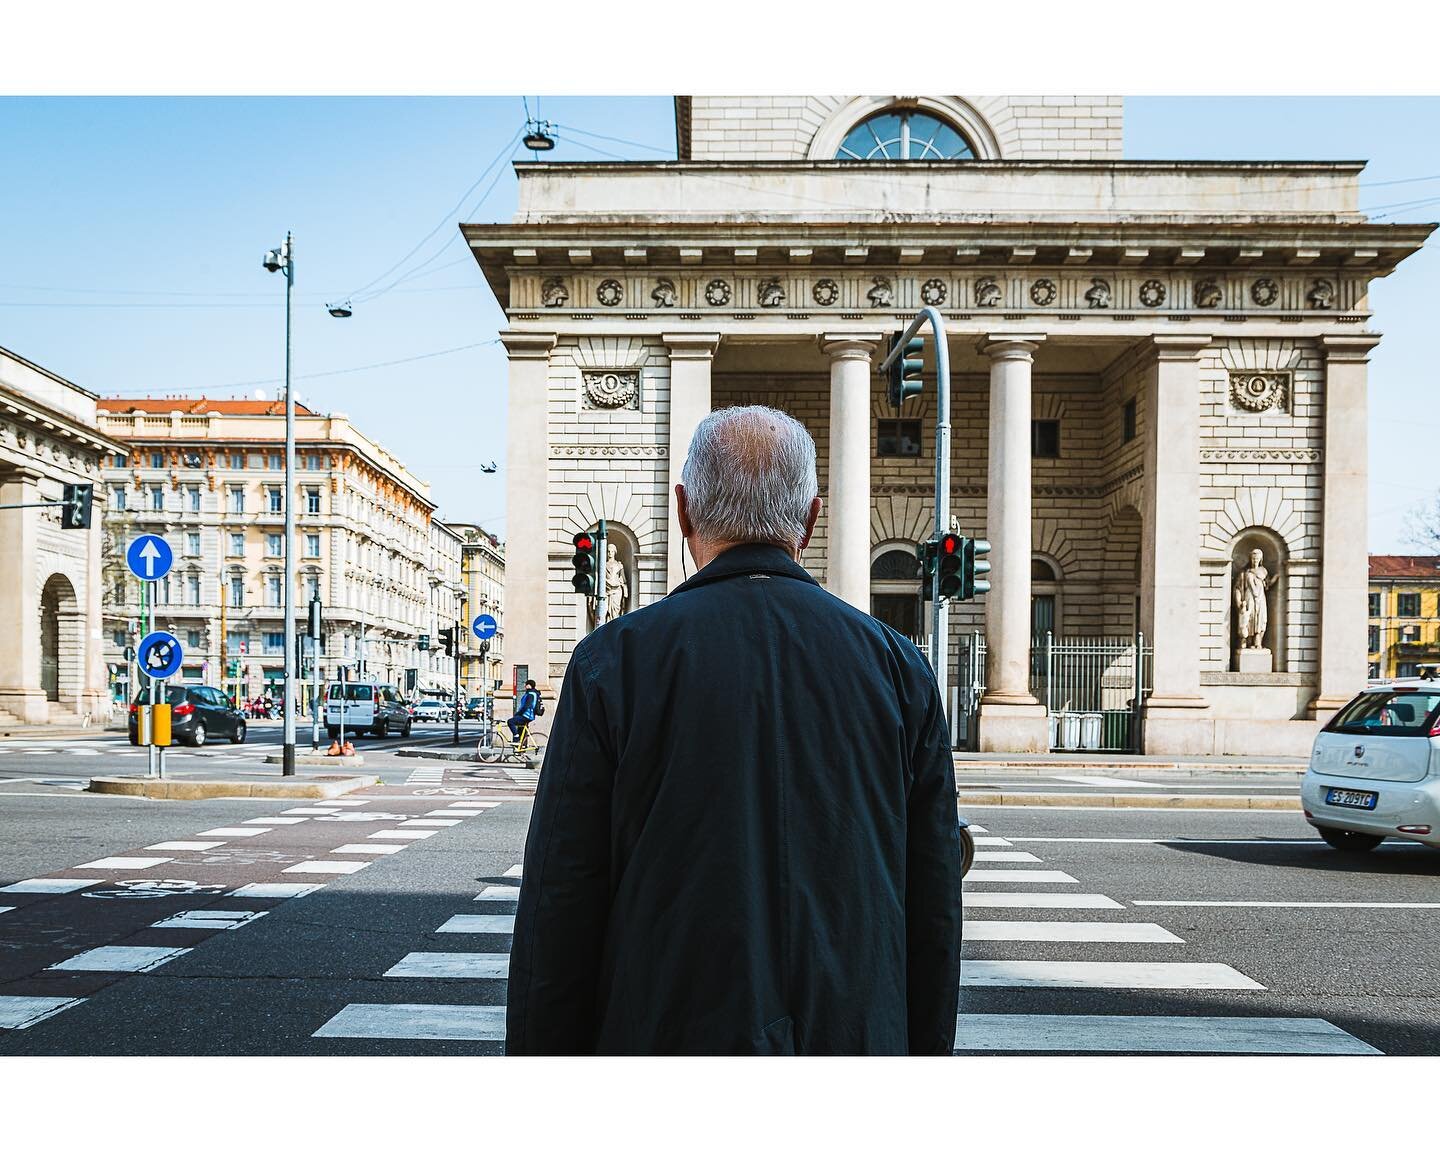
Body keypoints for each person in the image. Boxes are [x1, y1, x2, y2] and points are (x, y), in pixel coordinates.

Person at [507, 405, 963, 1056]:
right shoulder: (899, 667)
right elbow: (934, 907)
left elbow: (561, 902)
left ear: (685, 511)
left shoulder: (613, 662)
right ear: (811, 519)